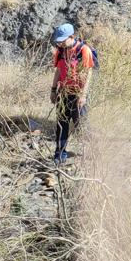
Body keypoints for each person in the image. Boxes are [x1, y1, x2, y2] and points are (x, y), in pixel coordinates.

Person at [49, 24, 95, 164]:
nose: (60, 43)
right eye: (59, 40)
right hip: (63, 93)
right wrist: (53, 89)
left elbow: (88, 73)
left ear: (71, 37)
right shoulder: (60, 51)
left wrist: (83, 95)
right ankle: (59, 155)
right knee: (61, 125)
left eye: (63, 40)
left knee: (81, 125)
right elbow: (58, 71)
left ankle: (92, 153)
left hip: (78, 94)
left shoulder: (83, 50)